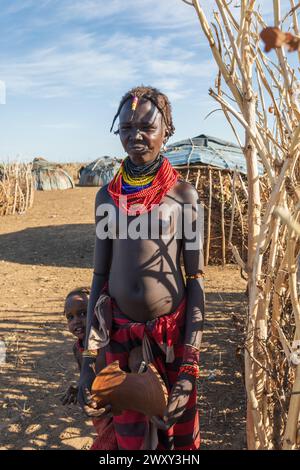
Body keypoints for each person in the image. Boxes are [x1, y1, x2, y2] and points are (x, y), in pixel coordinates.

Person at [78, 86, 205, 450]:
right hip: (120, 338)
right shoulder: (107, 197)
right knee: (129, 437)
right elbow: (100, 277)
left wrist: (189, 368)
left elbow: (195, 279)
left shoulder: (183, 197)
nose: (136, 135)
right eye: (126, 127)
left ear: (168, 131)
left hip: (172, 337)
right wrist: (89, 357)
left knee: (177, 439)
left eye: (147, 127)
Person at [62, 287, 117, 450]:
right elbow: (87, 377)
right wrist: (77, 388)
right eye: (70, 317)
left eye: (83, 314)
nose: (76, 321)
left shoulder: (109, 345)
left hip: (118, 412)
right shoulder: (77, 349)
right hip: (99, 413)